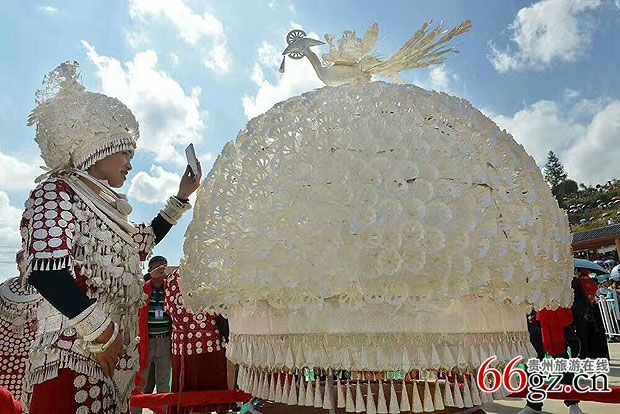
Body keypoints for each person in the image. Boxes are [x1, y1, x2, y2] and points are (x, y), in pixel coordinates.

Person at [18, 61, 202, 413]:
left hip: (113, 363)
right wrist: (101, 332)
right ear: (99, 148)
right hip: (70, 358)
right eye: (125, 153)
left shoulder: (110, 211)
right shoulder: (56, 192)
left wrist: (181, 197)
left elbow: (142, 242)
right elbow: (45, 272)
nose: (130, 164)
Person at [164, 269, 229, 414]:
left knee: (190, 400)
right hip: (207, 345)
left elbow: (169, 310)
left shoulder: (171, 279)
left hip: (184, 345)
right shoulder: (210, 273)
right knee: (205, 400)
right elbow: (219, 309)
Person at [133, 256, 173, 414]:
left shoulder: (170, 289)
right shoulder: (142, 288)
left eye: (163, 267)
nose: (161, 270)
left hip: (165, 340)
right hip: (145, 341)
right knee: (140, 380)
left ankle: (163, 411)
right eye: (157, 267)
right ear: (150, 270)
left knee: (163, 381)